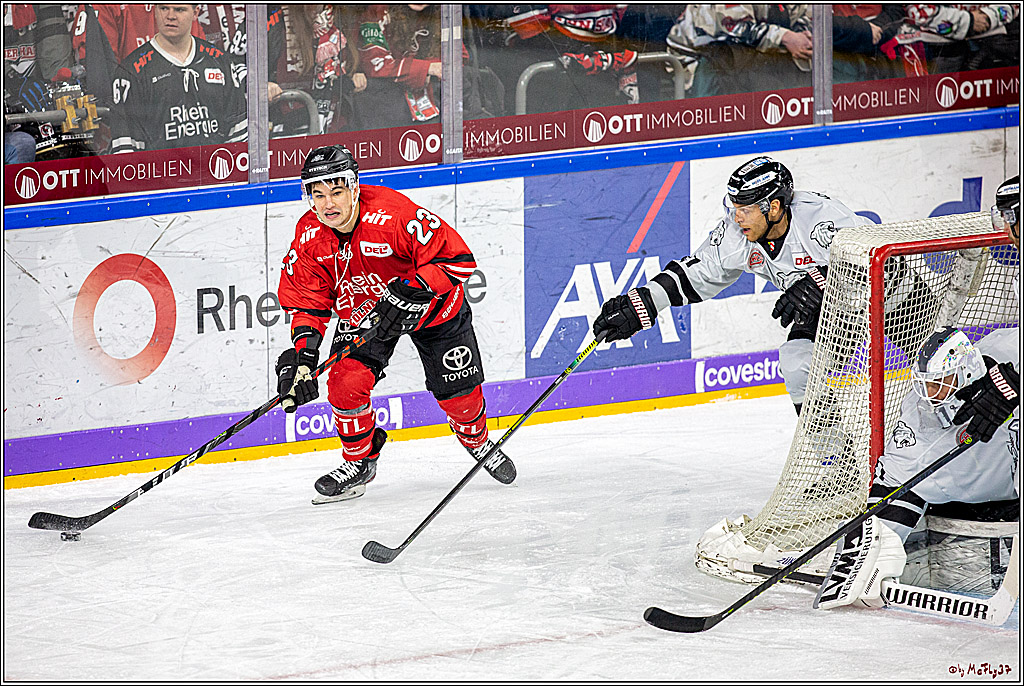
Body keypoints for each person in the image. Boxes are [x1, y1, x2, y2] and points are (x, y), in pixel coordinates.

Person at [276, 145, 516, 503]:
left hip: (435, 311)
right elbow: (307, 301)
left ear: (354, 187)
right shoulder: (309, 235)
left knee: (460, 399)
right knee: (344, 383)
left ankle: (476, 439)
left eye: (336, 192)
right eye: (319, 194)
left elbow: (458, 260)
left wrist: (414, 289)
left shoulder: (394, 215)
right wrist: (304, 357)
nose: (328, 204)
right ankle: (359, 462)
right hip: (367, 314)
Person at [592, 156, 878, 414]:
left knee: (910, 358)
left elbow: (878, 258)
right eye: (734, 207)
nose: (736, 216)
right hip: (831, 315)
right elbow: (699, 271)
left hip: (885, 297)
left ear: (774, 207)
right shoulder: (737, 232)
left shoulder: (820, 217)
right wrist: (644, 302)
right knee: (795, 364)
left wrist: (820, 280)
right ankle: (831, 452)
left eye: (745, 209)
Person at [813, 324, 1019, 610]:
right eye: (925, 384)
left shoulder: (1008, 346)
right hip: (988, 483)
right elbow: (898, 480)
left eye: (938, 383)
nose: (929, 393)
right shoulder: (918, 415)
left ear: (966, 372)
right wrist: (870, 546)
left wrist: (1012, 383)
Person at [110, 3, 246, 154]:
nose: (170, 16)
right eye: (164, 8)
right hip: (160, 168)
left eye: (179, 9)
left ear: (196, 13)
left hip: (214, 166)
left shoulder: (220, 61)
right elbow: (125, 150)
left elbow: (239, 135)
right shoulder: (131, 72)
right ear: (155, 10)